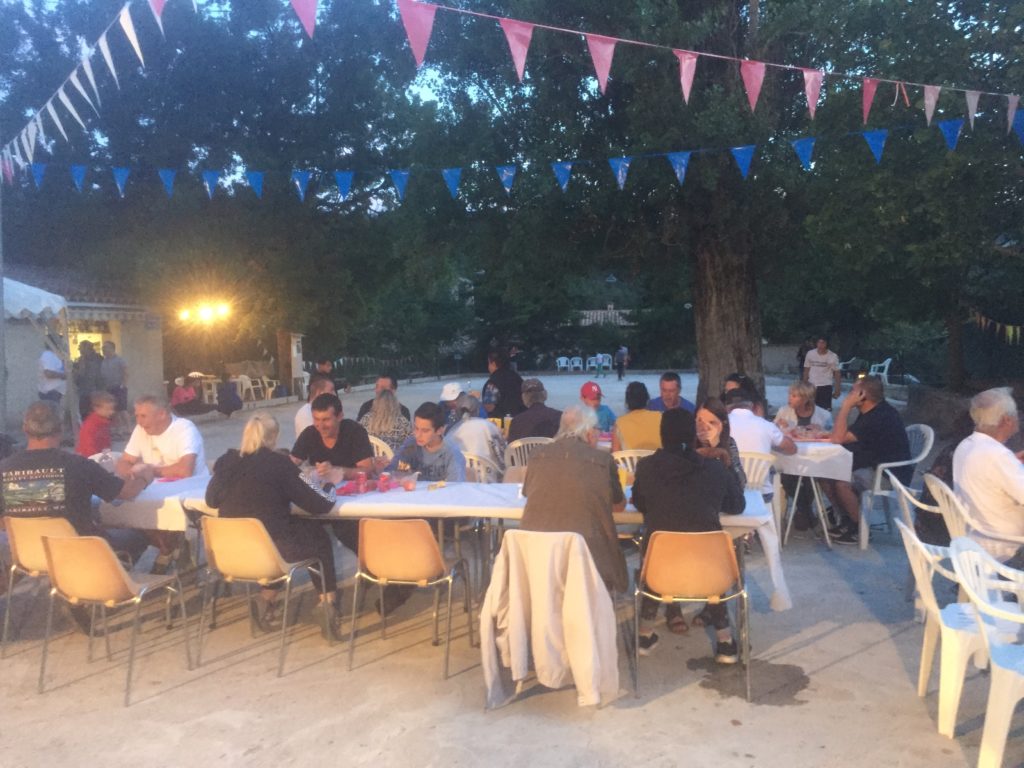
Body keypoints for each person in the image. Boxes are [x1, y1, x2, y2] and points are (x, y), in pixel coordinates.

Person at [205, 413, 342, 638]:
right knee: (317, 538)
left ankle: (266, 599)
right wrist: (330, 484)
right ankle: (327, 606)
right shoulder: (279, 464)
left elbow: (211, 500)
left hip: (229, 556)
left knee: (282, 533)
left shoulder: (226, 461)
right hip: (270, 554)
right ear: (274, 437)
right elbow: (321, 504)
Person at [1, 402, 153, 601]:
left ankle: (75, 591)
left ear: (24, 430)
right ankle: (97, 589)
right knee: (139, 535)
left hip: (29, 555)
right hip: (79, 551)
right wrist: (145, 476)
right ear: (60, 430)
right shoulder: (78, 465)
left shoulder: (4, 468)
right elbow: (126, 493)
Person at [632, 408, 745, 659]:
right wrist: (726, 463)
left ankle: (644, 634)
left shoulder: (647, 468)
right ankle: (725, 641)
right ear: (692, 435)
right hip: (710, 574)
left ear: (662, 435)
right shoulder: (714, 470)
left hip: (660, 575)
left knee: (654, 545)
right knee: (709, 551)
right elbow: (737, 506)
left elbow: (640, 503)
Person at [520, 405, 628, 593]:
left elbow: (528, 493)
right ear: (587, 432)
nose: (598, 434)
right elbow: (618, 506)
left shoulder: (536, 456)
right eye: (597, 430)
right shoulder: (602, 460)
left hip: (541, 557)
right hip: (588, 557)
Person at [116, 394, 210, 571]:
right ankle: (168, 549)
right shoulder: (140, 429)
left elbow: (184, 470)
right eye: (136, 415)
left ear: (162, 414)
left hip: (188, 488)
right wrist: (132, 471)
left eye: (143, 416)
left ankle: (168, 549)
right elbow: (124, 461)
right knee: (123, 504)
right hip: (155, 487)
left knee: (145, 509)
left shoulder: (184, 428)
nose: (138, 421)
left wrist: (147, 470)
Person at [827, 376, 911, 545]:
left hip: (889, 475)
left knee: (840, 482)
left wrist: (845, 407)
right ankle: (847, 518)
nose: (849, 394)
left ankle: (860, 528)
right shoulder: (873, 411)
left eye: (853, 391)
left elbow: (838, 438)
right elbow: (847, 437)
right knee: (826, 474)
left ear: (862, 395)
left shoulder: (877, 416)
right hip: (874, 465)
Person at [952, 388, 1024, 565]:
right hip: (1002, 542)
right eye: (1016, 414)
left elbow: (988, 474)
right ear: (1006, 420)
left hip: (974, 532)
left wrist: (1013, 463)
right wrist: (1011, 464)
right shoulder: (997, 456)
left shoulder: (966, 445)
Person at [772, 380, 834, 529]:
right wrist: (783, 427)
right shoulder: (784, 412)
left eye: (794, 396)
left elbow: (831, 436)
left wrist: (820, 430)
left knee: (811, 476)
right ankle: (805, 509)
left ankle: (803, 510)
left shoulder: (823, 415)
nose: (789, 399)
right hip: (790, 456)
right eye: (790, 395)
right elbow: (773, 434)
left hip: (814, 457)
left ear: (806, 398)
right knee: (787, 475)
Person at [724, 389, 796, 496]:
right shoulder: (766, 425)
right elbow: (792, 449)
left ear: (726, 407)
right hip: (761, 492)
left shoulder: (721, 425)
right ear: (751, 405)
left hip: (730, 493)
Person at [291, 393, 374, 485]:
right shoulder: (309, 433)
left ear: (339, 417)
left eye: (326, 420)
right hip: (322, 491)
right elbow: (292, 462)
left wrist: (337, 472)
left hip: (354, 490)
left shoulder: (354, 431)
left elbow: (368, 471)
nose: (320, 426)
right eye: (316, 419)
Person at [390, 402, 466, 482]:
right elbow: (391, 470)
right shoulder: (411, 444)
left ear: (440, 430)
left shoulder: (452, 453)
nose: (417, 435)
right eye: (416, 428)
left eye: (425, 431)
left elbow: (455, 488)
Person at [695, 397, 747, 489]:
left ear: (722, 425)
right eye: (700, 421)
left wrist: (717, 448)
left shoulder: (729, 443)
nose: (704, 427)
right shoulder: (689, 444)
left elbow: (741, 482)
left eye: (712, 423)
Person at [446, 394, 506, 470]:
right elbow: (501, 457)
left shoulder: (452, 432)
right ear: (478, 410)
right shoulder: (488, 426)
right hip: (488, 474)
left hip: (462, 476)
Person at [358, 388, 413, 454]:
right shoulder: (402, 421)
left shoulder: (366, 419)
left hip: (371, 460)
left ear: (376, 403)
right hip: (393, 461)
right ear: (395, 404)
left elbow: (358, 438)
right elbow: (411, 443)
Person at [612, 382, 661, 452]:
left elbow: (615, 454)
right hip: (658, 462)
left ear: (627, 402)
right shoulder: (661, 417)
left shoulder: (619, 423)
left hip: (632, 462)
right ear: (647, 399)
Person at [482, 350, 525, 418]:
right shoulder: (517, 378)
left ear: (493, 363)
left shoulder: (493, 383)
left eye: (488, 363)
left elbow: (489, 406)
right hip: (520, 419)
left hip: (502, 422)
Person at [803, 336, 841, 411]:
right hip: (812, 385)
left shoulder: (832, 356)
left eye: (823, 343)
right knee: (809, 409)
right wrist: (804, 384)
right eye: (819, 342)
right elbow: (806, 369)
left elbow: (837, 373)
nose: (820, 345)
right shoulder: (810, 354)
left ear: (827, 344)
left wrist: (837, 389)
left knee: (824, 410)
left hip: (825, 386)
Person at [75, 390, 116, 457]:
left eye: (112, 409)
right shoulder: (90, 425)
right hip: (90, 458)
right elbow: (88, 446)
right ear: (96, 408)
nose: (111, 412)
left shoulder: (104, 422)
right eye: (108, 409)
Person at [101, 341, 130, 435]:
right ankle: (119, 430)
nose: (103, 350)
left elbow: (125, 371)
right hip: (109, 388)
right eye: (103, 348)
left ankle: (129, 429)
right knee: (114, 410)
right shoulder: (104, 361)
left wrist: (123, 384)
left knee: (122, 409)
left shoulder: (119, 360)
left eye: (106, 348)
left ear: (112, 348)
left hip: (119, 387)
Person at [73, 341, 104, 419]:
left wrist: (75, 372)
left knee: (93, 411)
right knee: (85, 412)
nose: (79, 350)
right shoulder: (82, 359)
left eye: (81, 348)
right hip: (85, 389)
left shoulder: (97, 359)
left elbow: (82, 373)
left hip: (93, 389)